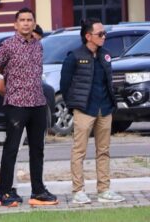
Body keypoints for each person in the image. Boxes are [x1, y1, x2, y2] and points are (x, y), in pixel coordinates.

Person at [0, 7, 58, 207]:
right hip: (16, 103)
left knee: (37, 149)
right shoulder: (8, 45)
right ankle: (5, 193)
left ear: (34, 23)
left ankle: (38, 191)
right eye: (22, 20)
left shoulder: (38, 45)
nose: (26, 23)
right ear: (16, 24)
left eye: (29, 20)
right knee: (11, 149)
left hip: (37, 102)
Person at [60, 18, 125, 204]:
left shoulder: (105, 55)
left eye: (104, 33)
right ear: (88, 36)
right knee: (79, 151)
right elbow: (65, 85)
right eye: (100, 34)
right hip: (84, 109)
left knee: (103, 151)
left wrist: (111, 103)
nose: (104, 37)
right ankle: (78, 191)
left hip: (104, 109)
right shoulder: (74, 56)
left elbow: (108, 81)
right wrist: (74, 105)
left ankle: (104, 190)